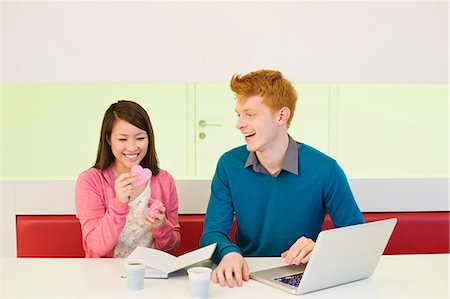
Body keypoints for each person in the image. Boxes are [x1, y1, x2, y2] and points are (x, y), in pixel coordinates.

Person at [200, 70, 364, 287]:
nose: (239, 124)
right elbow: (212, 233)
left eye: (250, 114)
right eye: (238, 114)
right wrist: (229, 253)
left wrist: (321, 248)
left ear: (281, 116)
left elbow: (358, 239)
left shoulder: (326, 169)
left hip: (304, 280)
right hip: (246, 279)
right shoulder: (228, 164)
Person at [75, 100, 181, 258]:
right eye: (123, 139)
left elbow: (173, 248)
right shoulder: (90, 181)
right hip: (104, 276)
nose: (132, 147)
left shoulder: (164, 180)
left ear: (149, 138)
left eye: (140, 138)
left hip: (151, 274)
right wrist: (119, 203)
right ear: (109, 139)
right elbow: (97, 247)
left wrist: (162, 227)